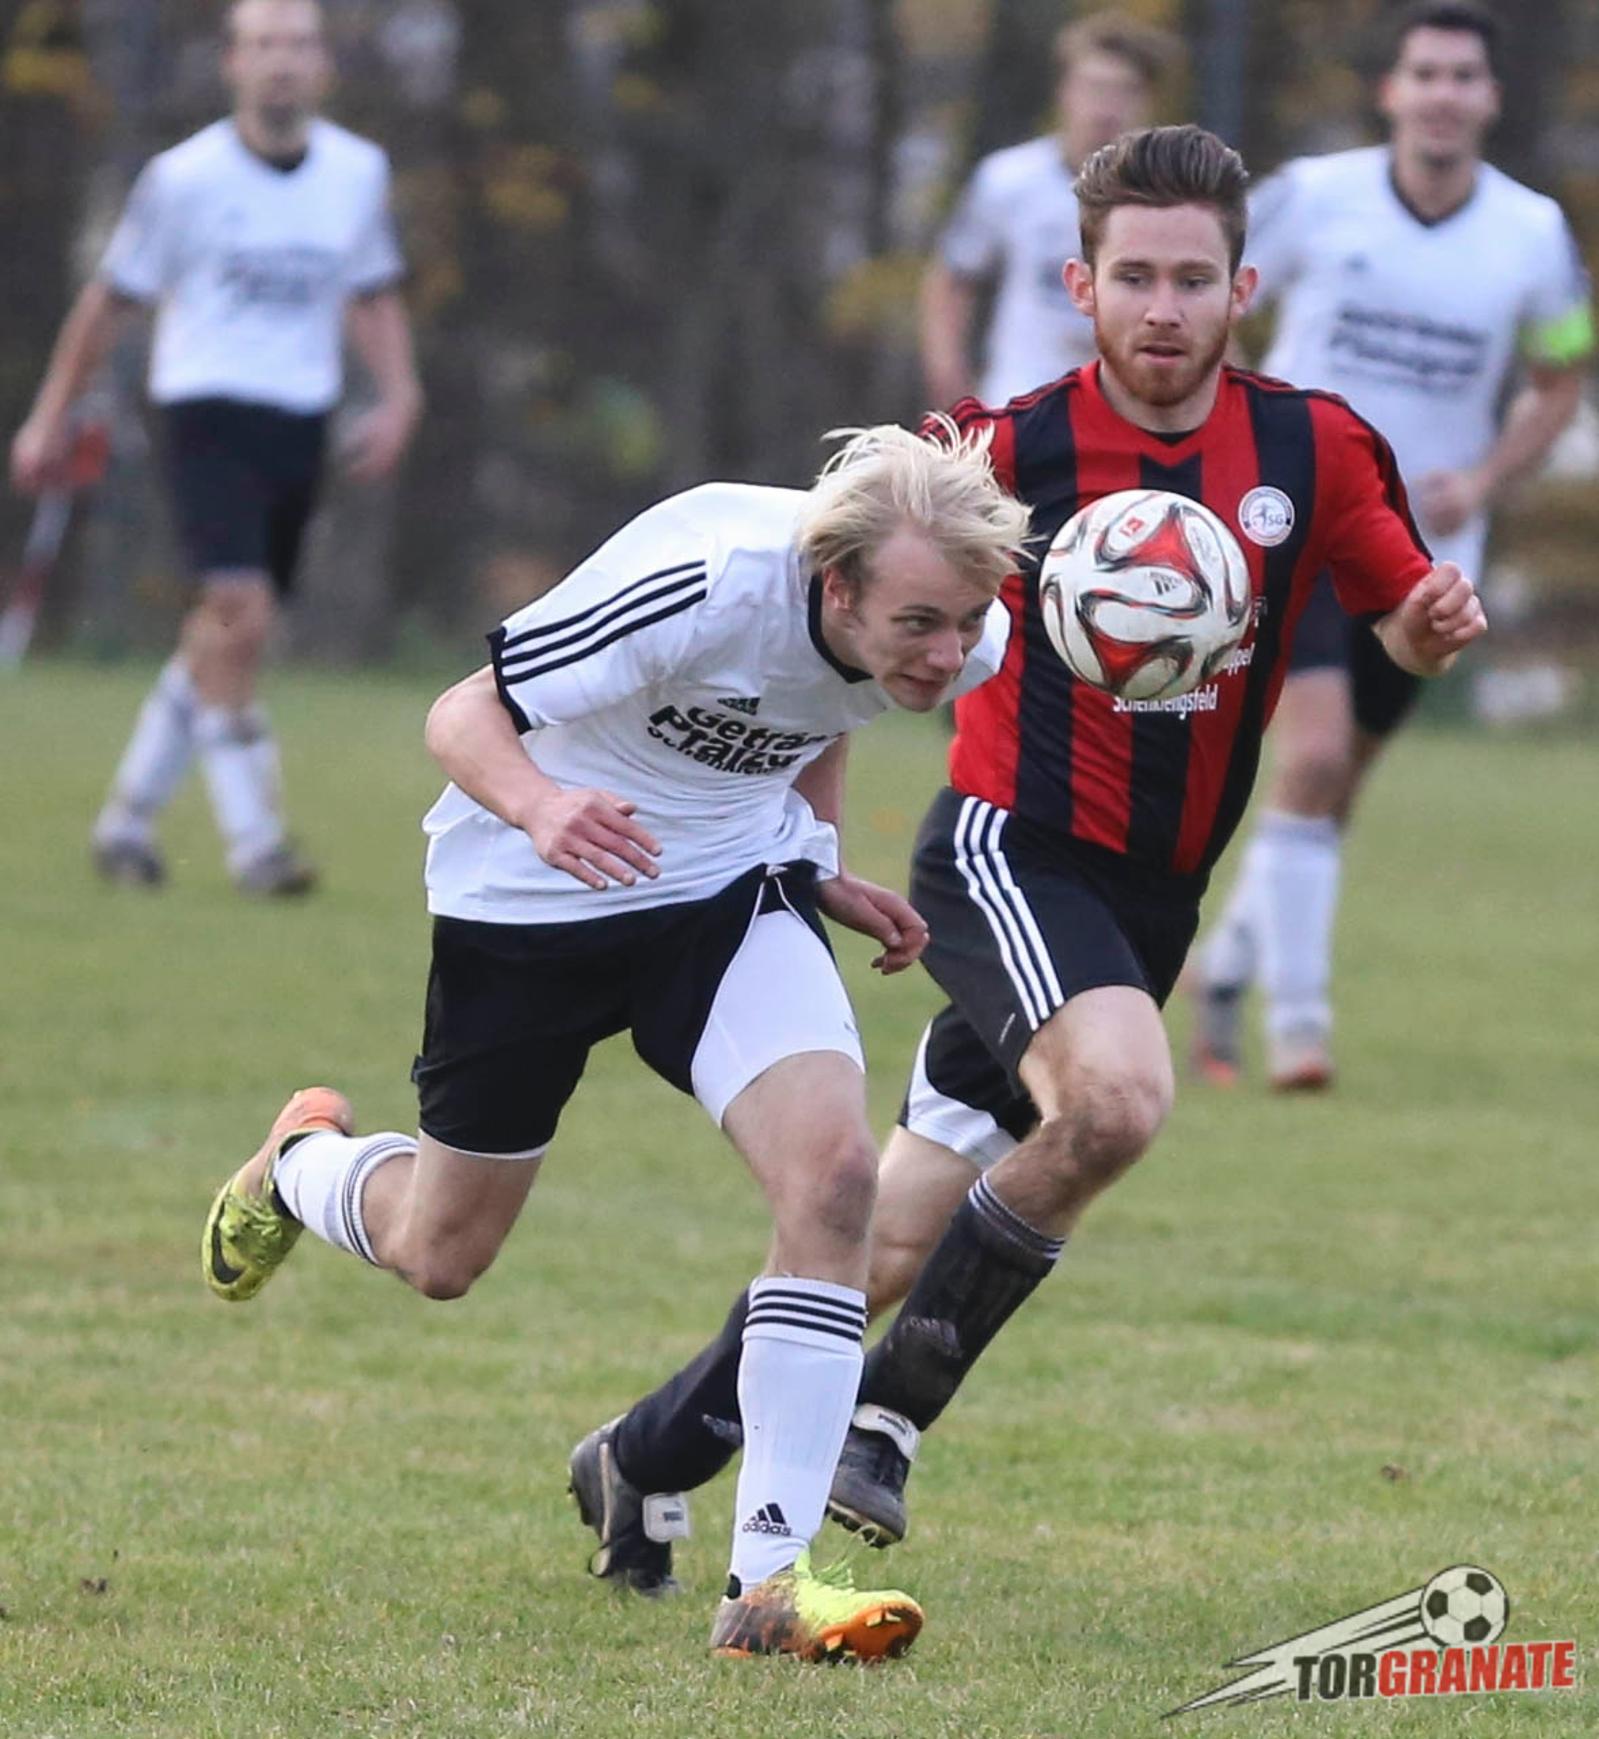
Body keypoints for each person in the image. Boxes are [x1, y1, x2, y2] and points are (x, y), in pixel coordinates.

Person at [579, 124, 1488, 1581]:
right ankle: (889, 1416)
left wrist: (1430, 628)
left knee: (884, 1245)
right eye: (1133, 277)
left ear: (1241, 289)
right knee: (1116, 1103)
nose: (1162, 308)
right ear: (1080, 284)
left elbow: (1400, 614)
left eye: (1191, 279)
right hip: (1009, 851)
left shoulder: (1309, 446)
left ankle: (642, 1451)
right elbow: (837, 602)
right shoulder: (998, 451)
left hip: (1152, 900)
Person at [198, 422, 1030, 1660]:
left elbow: (824, 703)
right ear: (835, 584)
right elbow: (461, 715)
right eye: (921, 623)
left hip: (724, 891)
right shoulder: (708, 578)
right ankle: (299, 1164)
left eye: (967, 621)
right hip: (531, 891)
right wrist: (543, 807)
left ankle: (768, 1585)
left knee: (836, 1179)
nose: (951, 652)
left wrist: (815, 858)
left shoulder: (952, 634)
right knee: (441, 1252)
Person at [1189, 0, 1592, 1088]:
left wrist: (1487, 478)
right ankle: (1300, 1030)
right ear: (1391, 92)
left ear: (1489, 99)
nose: (1442, 94)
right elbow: (1211, 290)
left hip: (1424, 553)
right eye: (1425, 73)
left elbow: (1563, 374)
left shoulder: (1533, 234)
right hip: (1302, 520)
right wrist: (1245, 429)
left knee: (1333, 789)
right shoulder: (1316, 197)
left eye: (1463, 76)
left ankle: (1226, 966)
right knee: (1313, 759)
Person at [10, 0, 422, 895]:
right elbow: (110, 299)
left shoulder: (356, 172)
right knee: (240, 608)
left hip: (299, 415)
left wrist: (398, 396)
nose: (282, 61)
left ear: (322, 65)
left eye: (298, 45)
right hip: (203, 407)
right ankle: (255, 842)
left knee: (231, 630)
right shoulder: (183, 178)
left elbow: (372, 291)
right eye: (264, 44)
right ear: (233, 62)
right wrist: (51, 412)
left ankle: (127, 821)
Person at [919, 8, 1178, 410]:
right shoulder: (1009, 179)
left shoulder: (1172, 196)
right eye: (1094, 88)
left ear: (1146, 102)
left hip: (1131, 409)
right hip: (1024, 400)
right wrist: (948, 373)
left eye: (1123, 91)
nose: (1106, 107)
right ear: (1065, 91)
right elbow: (953, 278)